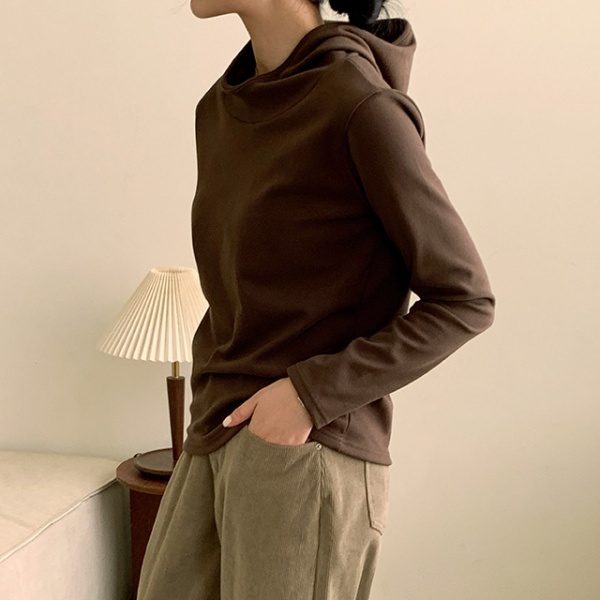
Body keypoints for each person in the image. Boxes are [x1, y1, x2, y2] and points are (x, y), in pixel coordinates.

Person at [137, 0, 495, 598]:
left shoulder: (360, 106)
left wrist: (310, 394)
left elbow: (465, 298)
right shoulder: (218, 110)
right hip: (215, 432)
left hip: (308, 449)